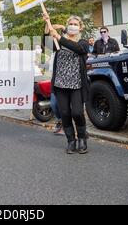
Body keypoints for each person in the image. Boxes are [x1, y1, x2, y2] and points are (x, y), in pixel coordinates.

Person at [44, 14, 90, 154]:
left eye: (76, 24)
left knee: (77, 112)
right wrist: (47, 23)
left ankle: (82, 138)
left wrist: (59, 37)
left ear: (80, 27)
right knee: (64, 113)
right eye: (71, 23)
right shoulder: (58, 43)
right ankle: (71, 141)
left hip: (77, 84)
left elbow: (78, 49)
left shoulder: (83, 42)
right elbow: (46, 42)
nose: (73, 26)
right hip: (60, 84)